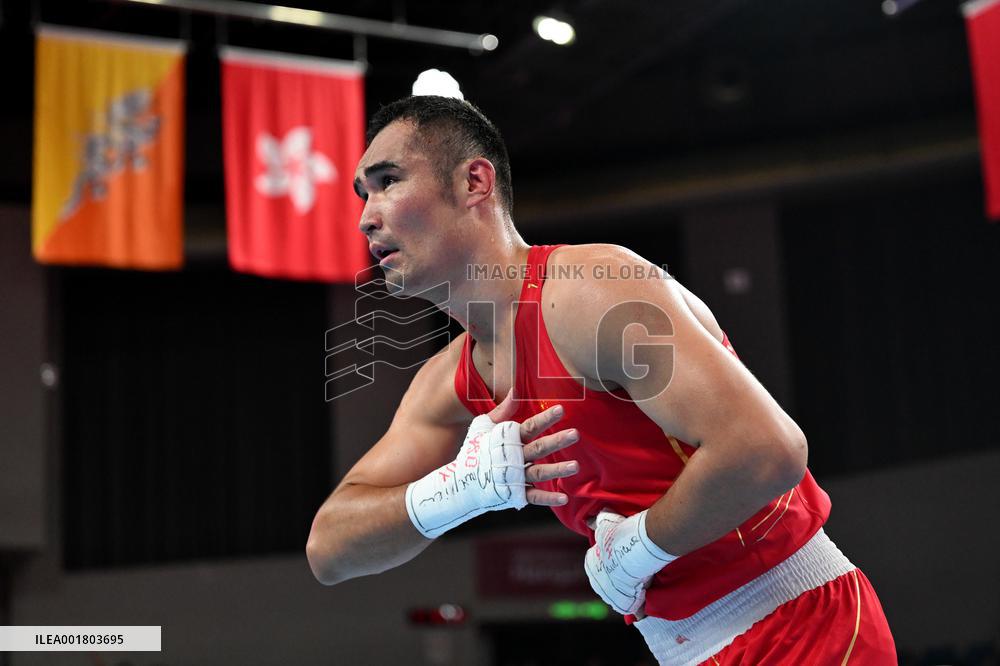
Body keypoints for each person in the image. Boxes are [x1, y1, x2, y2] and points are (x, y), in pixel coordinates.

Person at [306, 95, 896, 665]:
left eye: (387, 182)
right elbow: (328, 549)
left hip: (801, 626)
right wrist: (456, 493)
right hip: (684, 647)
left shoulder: (590, 291)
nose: (365, 217)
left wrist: (640, 548)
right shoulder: (447, 381)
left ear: (473, 184)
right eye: (362, 193)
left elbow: (770, 450)